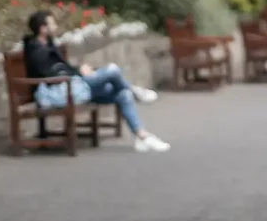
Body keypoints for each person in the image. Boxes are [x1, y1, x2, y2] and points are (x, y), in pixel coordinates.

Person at [22, 12, 169, 153]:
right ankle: (135, 90)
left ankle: (142, 136)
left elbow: (63, 68)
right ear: (43, 28)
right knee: (112, 70)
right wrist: (79, 72)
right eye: (52, 23)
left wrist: (80, 69)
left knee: (123, 94)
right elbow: (50, 74)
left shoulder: (48, 44)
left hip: (75, 87)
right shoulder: (36, 51)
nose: (55, 26)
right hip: (63, 91)